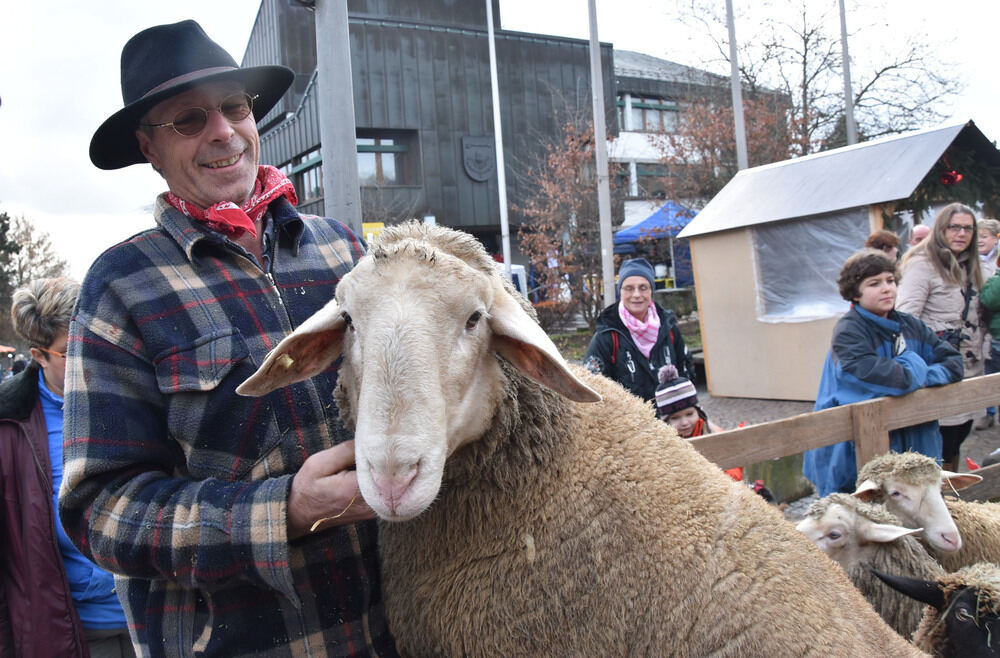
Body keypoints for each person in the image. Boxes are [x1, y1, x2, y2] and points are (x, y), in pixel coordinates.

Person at [58, 21, 397, 657]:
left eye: (234, 107)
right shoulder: (122, 286)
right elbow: (101, 514)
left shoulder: (343, 250)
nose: (222, 131)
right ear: (150, 148)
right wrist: (284, 511)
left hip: (387, 634)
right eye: (189, 120)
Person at [1, 278, 135, 657]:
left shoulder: (134, 395)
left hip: (153, 617)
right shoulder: (10, 426)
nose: (86, 356)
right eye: (68, 350)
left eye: (93, 342)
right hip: (74, 632)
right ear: (39, 356)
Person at [802, 250, 963, 496]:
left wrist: (922, 378)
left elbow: (953, 364)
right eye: (874, 283)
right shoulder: (849, 333)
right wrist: (914, 366)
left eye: (890, 280)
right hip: (855, 453)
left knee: (918, 510)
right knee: (861, 513)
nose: (886, 288)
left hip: (916, 443)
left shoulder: (911, 326)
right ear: (855, 293)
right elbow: (897, 381)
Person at [896, 203, 986, 472]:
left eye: (968, 228)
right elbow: (905, 317)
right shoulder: (922, 265)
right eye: (954, 227)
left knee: (960, 434)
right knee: (940, 440)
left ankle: (952, 489)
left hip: (971, 365)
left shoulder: (973, 266)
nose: (961, 233)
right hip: (939, 368)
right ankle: (940, 491)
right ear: (941, 229)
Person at [584, 257, 693, 402]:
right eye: (629, 288)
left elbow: (687, 378)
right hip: (628, 417)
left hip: (670, 416)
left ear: (651, 291)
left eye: (643, 288)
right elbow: (593, 390)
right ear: (620, 292)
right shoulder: (606, 336)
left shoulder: (669, 329)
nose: (636, 295)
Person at [654, 364, 721, 438]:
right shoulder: (659, 443)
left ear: (699, 412)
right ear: (665, 421)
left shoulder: (715, 434)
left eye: (689, 414)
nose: (684, 423)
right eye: (675, 418)